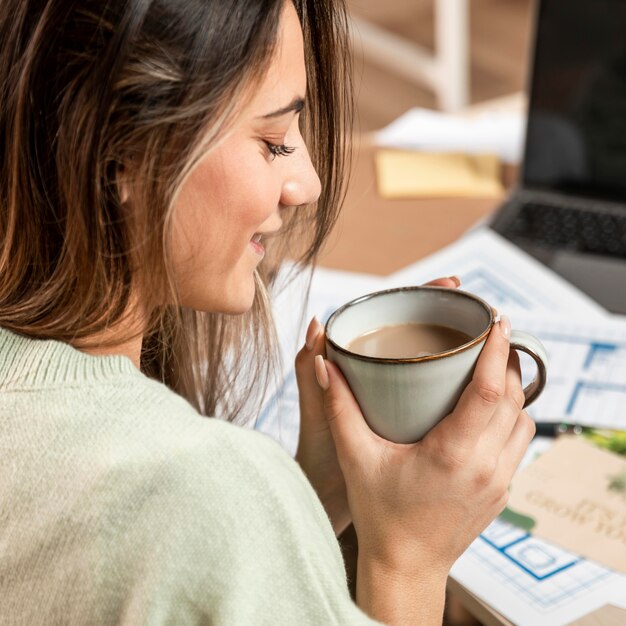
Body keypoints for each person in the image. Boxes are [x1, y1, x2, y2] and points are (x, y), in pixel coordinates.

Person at [0, 0, 535, 624]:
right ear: (122, 153)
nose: (306, 181)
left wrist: (313, 498)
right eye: (274, 140)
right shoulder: (198, 494)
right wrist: (408, 559)